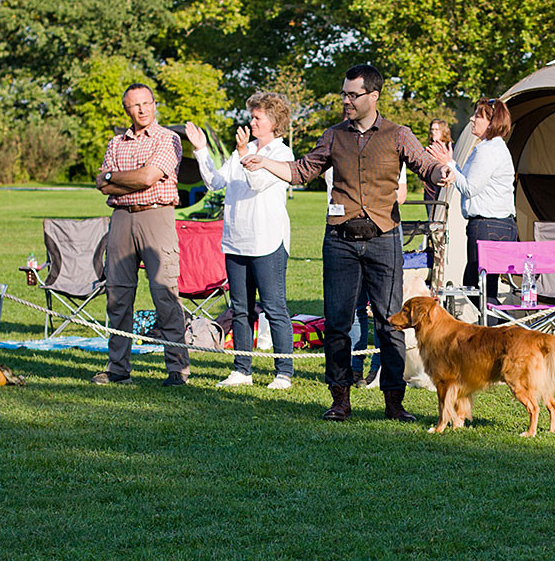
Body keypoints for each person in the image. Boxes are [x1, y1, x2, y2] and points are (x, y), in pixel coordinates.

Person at [243, 64, 452, 422]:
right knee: (338, 323)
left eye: (353, 95)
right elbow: (302, 171)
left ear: (373, 96)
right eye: (344, 94)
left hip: (384, 239)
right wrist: (265, 163)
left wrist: (441, 170)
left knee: (390, 323)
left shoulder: (398, 134)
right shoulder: (333, 135)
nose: (346, 101)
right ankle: (340, 399)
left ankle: (394, 403)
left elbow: (424, 166)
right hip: (340, 240)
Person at [184, 91, 295, 390]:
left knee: (274, 307)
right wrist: (201, 150)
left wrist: (245, 151)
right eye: (252, 116)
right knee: (241, 308)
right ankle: (242, 369)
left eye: (257, 117)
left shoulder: (282, 155)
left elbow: (257, 183)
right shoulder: (241, 150)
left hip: (267, 241)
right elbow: (215, 182)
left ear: (273, 121)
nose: (252, 121)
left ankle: (284, 372)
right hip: (235, 240)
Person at [93, 83, 189, 386]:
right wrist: (123, 180)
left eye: (147, 103)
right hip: (121, 219)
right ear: (127, 109)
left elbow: (149, 177)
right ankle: (118, 368)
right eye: (135, 105)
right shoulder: (115, 143)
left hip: (156, 215)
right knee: (118, 296)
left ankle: (177, 369)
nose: (143, 109)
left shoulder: (168, 139)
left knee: (164, 294)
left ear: (155, 104)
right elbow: (102, 184)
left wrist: (115, 178)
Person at [324, 165, 407, 387]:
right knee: (355, 307)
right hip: (344, 234)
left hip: (381, 232)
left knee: (383, 311)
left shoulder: (391, 147)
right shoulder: (337, 145)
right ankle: (355, 367)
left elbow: (403, 194)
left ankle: (379, 369)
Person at [428, 98, 516, 304]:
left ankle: (500, 330)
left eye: (477, 115)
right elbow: (470, 181)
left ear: (491, 122)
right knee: (486, 288)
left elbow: (470, 188)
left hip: (487, 226)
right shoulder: (495, 147)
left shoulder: (487, 150)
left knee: (478, 289)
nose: (471, 118)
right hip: (500, 225)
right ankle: (499, 331)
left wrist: (448, 163)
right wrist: (451, 164)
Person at [421, 119, 452, 207]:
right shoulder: (427, 150)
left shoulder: (450, 149)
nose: (433, 132)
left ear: (443, 131)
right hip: (430, 192)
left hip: (445, 191)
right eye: (432, 129)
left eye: (436, 130)